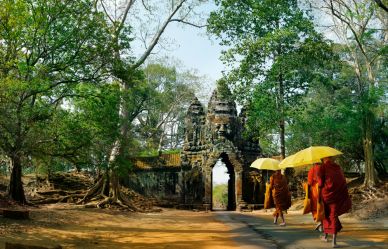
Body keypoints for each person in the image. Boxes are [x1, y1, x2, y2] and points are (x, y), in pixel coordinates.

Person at [318, 157, 352, 248]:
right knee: (333, 215)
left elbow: (320, 183)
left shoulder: (322, 167)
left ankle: (330, 240)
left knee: (327, 215)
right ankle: (331, 240)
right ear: (331, 159)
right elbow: (342, 180)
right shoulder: (337, 167)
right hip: (337, 195)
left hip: (326, 196)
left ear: (324, 159)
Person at [307, 163, 322, 231]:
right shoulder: (323, 168)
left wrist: (305, 185)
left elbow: (309, 182)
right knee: (322, 207)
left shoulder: (312, 169)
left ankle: (319, 222)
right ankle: (322, 224)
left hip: (315, 190)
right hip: (323, 189)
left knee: (314, 207)